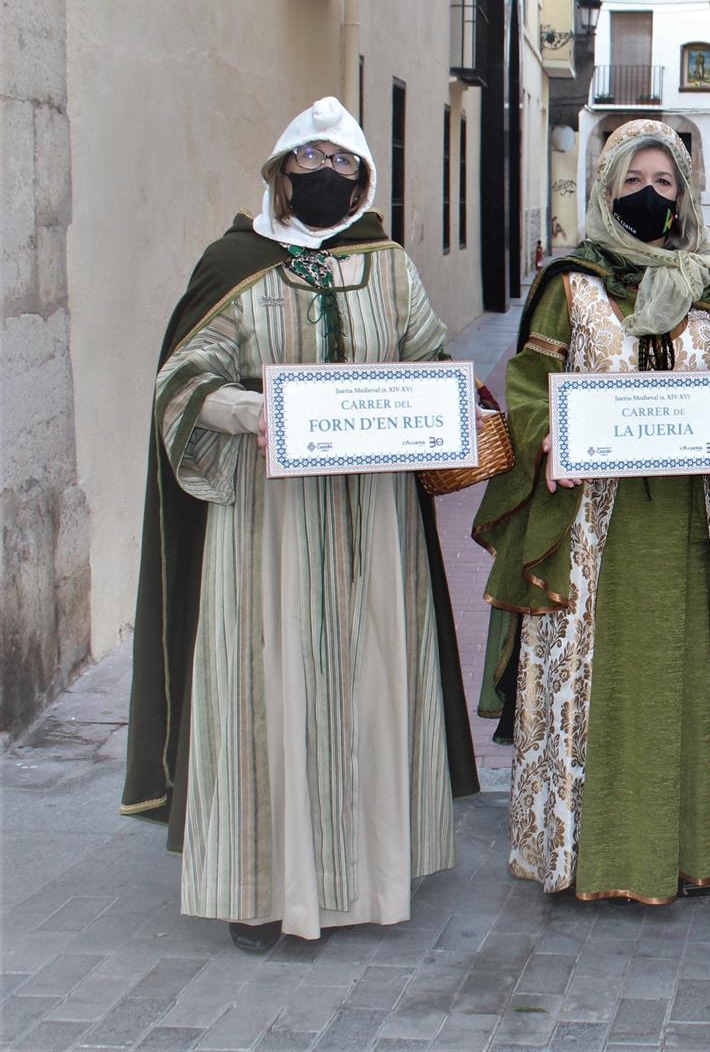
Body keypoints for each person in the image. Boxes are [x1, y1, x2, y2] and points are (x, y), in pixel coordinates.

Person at [122, 96, 480, 951]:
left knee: (366, 686)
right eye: (307, 162)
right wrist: (251, 411)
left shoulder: (387, 265)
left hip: (373, 520)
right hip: (267, 528)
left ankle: (372, 878)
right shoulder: (232, 263)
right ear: (280, 173)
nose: (324, 176)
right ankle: (260, 889)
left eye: (342, 163)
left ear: (363, 176)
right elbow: (181, 380)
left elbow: (427, 360)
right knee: (266, 690)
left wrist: (445, 401)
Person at [474, 119, 710, 906]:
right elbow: (527, 382)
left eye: (663, 183)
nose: (648, 197)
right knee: (587, 687)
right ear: (604, 187)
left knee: (674, 685)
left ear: (685, 194)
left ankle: (682, 852)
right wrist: (543, 431)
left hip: (686, 530)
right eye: (632, 182)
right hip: (587, 529)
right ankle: (573, 851)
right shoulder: (569, 284)